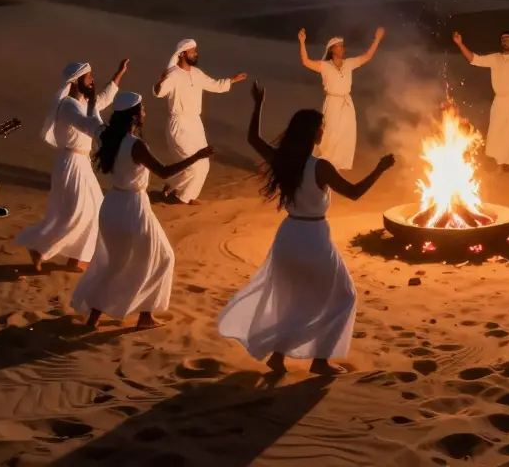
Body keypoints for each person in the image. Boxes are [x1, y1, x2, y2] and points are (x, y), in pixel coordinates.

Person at [219, 81, 396, 375]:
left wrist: (258, 104)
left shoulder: (284, 159)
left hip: (288, 236)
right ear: (312, 132)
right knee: (344, 296)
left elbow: (252, 138)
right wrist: (379, 169)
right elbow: (354, 193)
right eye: (321, 127)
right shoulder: (320, 166)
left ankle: (278, 356)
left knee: (296, 298)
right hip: (314, 239)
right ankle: (321, 360)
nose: (323, 131)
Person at [72, 92, 214, 330]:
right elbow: (164, 172)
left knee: (116, 262)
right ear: (134, 116)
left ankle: (94, 318)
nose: (145, 113)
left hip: (112, 204)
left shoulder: (106, 135)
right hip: (133, 208)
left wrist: (94, 102)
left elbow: (93, 120)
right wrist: (197, 157)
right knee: (162, 257)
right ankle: (145, 316)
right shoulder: (135, 145)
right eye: (143, 110)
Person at [16, 59, 128, 273]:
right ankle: (39, 247)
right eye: (88, 76)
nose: (92, 79)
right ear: (76, 81)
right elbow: (87, 124)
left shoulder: (83, 103)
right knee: (76, 213)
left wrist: (119, 74)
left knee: (95, 209)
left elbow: (103, 99)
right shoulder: (68, 105)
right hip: (71, 163)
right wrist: (106, 133)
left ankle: (76, 258)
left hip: (82, 163)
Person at [153, 38, 246, 205]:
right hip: (179, 124)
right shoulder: (173, 74)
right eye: (192, 51)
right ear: (182, 54)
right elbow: (159, 93)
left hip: (195, 125)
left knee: (204, 164)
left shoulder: (197, 73)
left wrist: (232, 80)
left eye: (195, 51)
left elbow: (215, 85)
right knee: (192, 164)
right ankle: (177, 195)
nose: (196, 54)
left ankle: (184, 194)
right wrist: (161, 80)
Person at [453, 10, 509, 172]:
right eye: (503, 40)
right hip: (500, 100)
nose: (506, 42)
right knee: (497, 132)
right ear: (501, 43)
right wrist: (460, 44)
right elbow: (473, 59)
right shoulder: (495, 58)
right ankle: (499, 162)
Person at [298, 26, 385, 171]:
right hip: (332, 103)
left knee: (345, 136)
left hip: (347, 104)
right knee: (329, 135)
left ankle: (336, 169)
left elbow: (366, 57)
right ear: (332, 49)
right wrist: (302, 42)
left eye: (342, 46)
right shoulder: (325, 66)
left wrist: (377, 39)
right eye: (339, 46)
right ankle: (319, 165)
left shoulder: (349, 63)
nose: (342, 49)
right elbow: (306, 61)